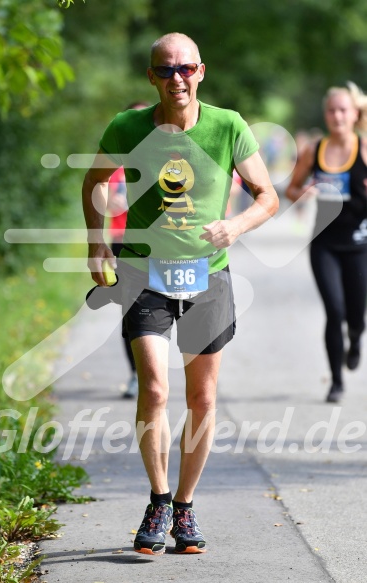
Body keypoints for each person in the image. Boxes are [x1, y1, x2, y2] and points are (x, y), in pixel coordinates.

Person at [82, 32, 278, 555]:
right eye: (166, 70)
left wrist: (234, 228)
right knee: (155, 388)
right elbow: (96, 182)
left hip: (207, 274)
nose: (177, 79)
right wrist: (97, 241)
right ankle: (158, 498)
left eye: (186, 69)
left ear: (201, 72)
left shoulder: (227, 125)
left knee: (202, 397)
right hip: (144, 272)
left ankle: (185, 507)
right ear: (151, 77)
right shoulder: (128, 126)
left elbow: (268, 196)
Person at [286, 82, 367, 403]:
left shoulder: (364, 149)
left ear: (354, 113)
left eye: (343, 109)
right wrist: (302, 194)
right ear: (326, 114)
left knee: (356, 315)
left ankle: (357, 337)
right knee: (334, 311)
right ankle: (336, 382)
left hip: (360, 244)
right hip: (324, 245)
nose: (337, 115)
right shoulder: (314, 150)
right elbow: (291, 188)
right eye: (332, 110)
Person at [107, 101, 150, 398]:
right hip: (125, 241)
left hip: (163, 243)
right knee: (132, 311)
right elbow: (106, 202)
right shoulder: (116, 166)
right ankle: (137, 375)